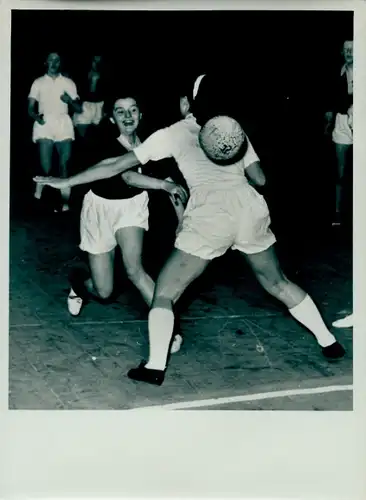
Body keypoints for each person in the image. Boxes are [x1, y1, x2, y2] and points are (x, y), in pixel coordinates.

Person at [34, 74, 346, 386]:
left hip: (210, 220)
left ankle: (155, 367)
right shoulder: (231, 129)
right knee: (277, 282)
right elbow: (261, 180)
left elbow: (115, 166)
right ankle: (328, 341)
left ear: (188, 103)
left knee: (165, 292)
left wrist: (66, 181)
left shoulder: (175, 133)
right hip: (249, 212)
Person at [63, 91, 187, 353]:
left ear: (141, 115)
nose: (128, 116)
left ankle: (169, 329)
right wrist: (164, 185)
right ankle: (79, 285)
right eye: (120, 111)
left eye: (133, 110)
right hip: (99, 209)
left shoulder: (154, 146)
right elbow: (128, 177)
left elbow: (173, 187)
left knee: (134, 270)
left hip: (132, 208)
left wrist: (182, 220)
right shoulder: (104, 141)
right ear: (112, 118)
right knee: (104, 291)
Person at [28, 52, 82, 212]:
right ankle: (38, 199)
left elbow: (79, 108)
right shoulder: (38, 82)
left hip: (63, 123)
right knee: (45, 167)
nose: (54, 62)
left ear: (60, 63)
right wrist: (37, 117)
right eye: (51, 59)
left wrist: (69, 101)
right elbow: (30, 109)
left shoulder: (68, 82)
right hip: (44, 123)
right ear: (46, 62)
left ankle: (64, 203)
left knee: (64, 165)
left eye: (57, 60)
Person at [324, 39, 353, 226]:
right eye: (346, 49)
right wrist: (329, 117)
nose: (349, 52)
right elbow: (331, 99)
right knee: (340, 170)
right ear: (342, 53)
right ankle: (338, 212)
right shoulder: (337, 73)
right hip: (342, 123)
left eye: (353, 49)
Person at [73, 55, 106, 138]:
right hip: (85, 106)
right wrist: (93, 82)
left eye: (99, 61)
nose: (97, 64)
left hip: (100, 106)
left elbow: (108, 94)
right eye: (95, 61)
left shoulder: (105, 74)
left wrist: (105, 110)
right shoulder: (82, 73)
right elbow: (79, 93)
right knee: (83, 137)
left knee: (98, 138)